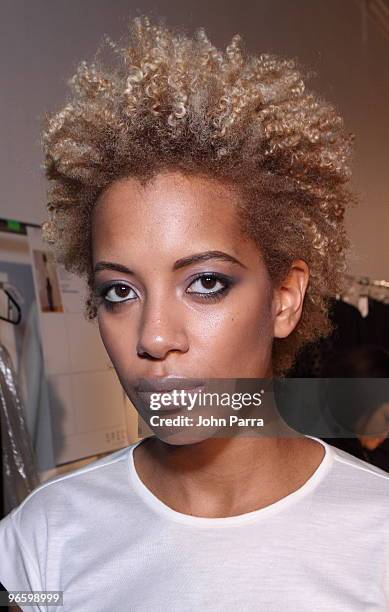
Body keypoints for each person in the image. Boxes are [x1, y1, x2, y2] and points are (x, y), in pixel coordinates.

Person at [0, 16, 388, 611]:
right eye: (119, 292)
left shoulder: (376, 539)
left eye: (206, 282)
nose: (154, 337)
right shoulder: (42, 541)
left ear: (284, 297)